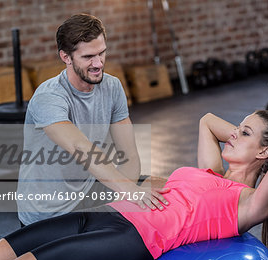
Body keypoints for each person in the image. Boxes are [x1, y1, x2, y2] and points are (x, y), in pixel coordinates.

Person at [0, 110, 268, 260]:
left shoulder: (250, 203)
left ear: (263, 152)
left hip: (128, 243)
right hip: (104, 216)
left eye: (243, 133)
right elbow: (206, 120)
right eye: (238, 128)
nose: (232, 134)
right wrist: (244, 137)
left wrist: (266, 145)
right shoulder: (212, 171)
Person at [16, 13, 167, 226]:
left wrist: (124, 198)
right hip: (47, 213)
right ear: (66, 57)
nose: (98, 64)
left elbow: (129, 155)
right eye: (88, 57)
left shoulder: (112, 87)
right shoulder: (49, 97)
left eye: (102, 53)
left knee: (165, 186)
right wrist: (131, 192)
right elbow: (81, 148)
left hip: (87, 196)